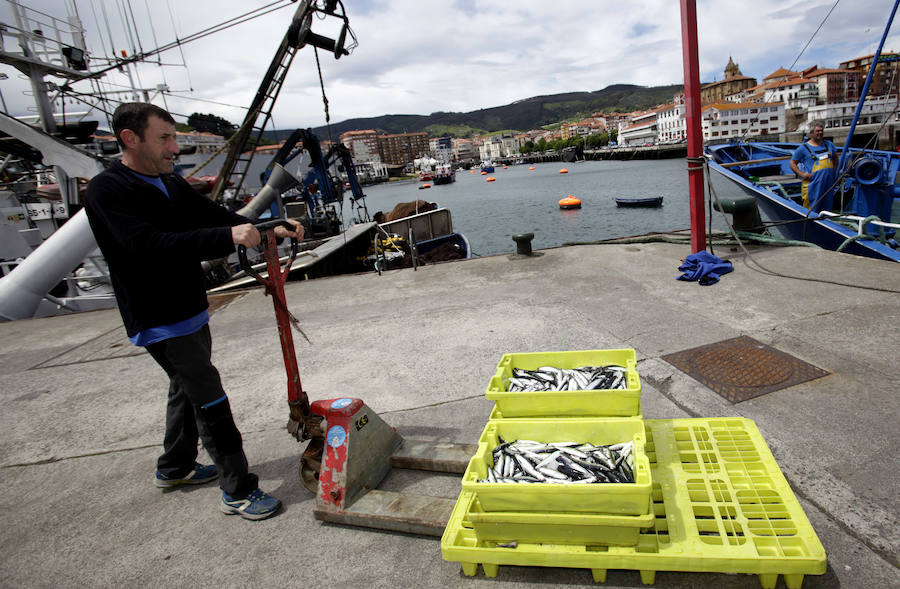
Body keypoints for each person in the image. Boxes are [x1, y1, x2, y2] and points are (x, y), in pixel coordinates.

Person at [85, 102, 303, 521]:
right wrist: (227, 235)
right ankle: (237, 490)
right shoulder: (107, 191)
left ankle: (175, 467)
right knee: (209, 396)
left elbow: (217, 217)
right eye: (164, 138)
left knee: (185, 386)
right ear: (131, 139)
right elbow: (146, 245)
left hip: (189, 306)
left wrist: (266, 228)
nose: (173, 147)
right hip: (157, 315)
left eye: (173, 137)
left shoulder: (170, 182)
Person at [789, 120, 838, 211]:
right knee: (811, 209)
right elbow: (792, 163)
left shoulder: (829, 145)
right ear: (811, 133)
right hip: (812, 185)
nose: (820, 133)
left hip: (828, 183)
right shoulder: (803, 148)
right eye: (817, 131)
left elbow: (835, 158)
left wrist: (833, 172)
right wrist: (802, 174)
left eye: (821, 130)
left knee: (827, 208)